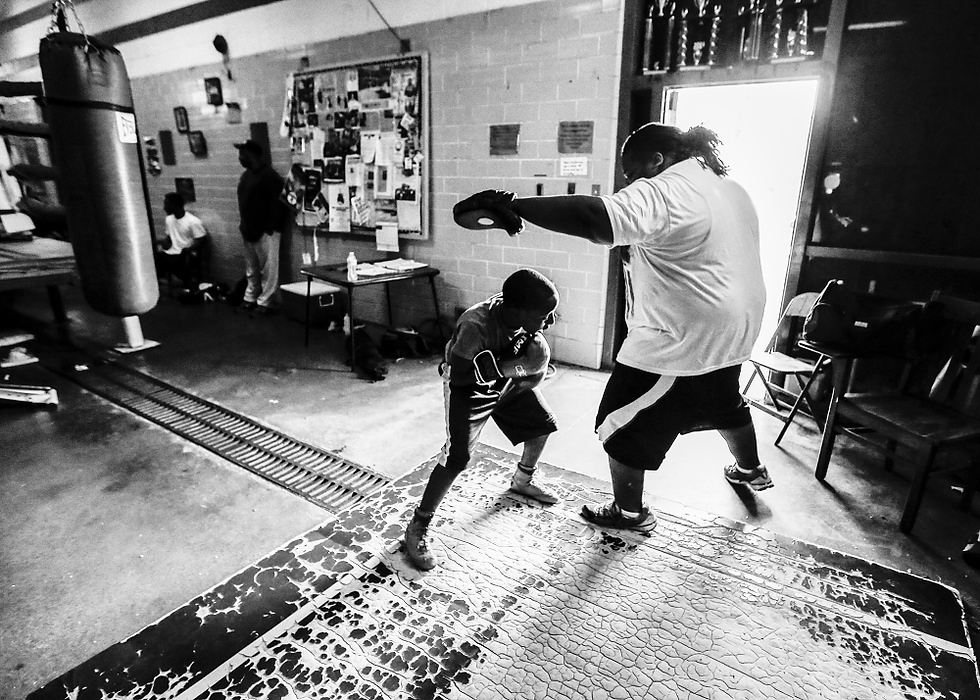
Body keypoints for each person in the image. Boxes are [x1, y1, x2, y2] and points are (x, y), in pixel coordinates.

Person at [452, 122, 769, 535]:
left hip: (684, 338)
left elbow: (595, 217)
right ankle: (750, 470)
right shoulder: (727, 187)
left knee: (618, 423)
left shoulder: (669, 187)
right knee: (721, 397)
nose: (631, 184)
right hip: (739, 328)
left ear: (655, 159)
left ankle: (629, 513)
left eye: (632, 173)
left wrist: (511, 206)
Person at [403, 268, 561, 570]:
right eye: (543, 317)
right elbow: (462, 376)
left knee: (541, 424)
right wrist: (512, 367)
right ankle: (418, 525)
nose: (548, 323)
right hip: (468, 388)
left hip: (505, 384)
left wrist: (525, 364)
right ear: (516, 309)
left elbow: (534, 337)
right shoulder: (476, 325)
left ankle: (522, 480)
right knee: (457, 457)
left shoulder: (525, 316)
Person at [235, 139, 285, 317]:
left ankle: (265, 302)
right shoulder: (246, 176)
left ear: (253, 155)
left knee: (268, 269)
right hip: (248, 228)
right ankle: (250, 298)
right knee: (251, 269)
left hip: (266, 230)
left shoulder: (269, 176)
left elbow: (277, 203)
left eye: (243, 154)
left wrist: (270, 226)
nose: (240, 158)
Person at [154, 192, 207, 285]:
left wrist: (188, 249)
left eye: (167, 205)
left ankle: (187, 285)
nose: (164, 208)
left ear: (174, 205)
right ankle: (161, 284)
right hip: (173, 252)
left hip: (186, 253)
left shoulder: (193, 221)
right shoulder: (169, 219)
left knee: (179, 260)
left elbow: (201, 240)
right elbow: (170, 237)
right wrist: (162, 242)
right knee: (155, 257)